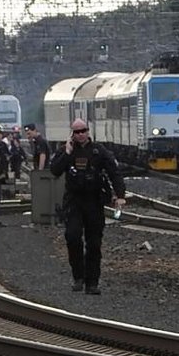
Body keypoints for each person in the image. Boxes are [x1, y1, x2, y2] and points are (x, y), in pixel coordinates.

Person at [51, 119, 126, 295]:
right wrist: (67, 153)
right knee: (73, 237)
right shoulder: (66, 151)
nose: (80, 134)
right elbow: (55, 170)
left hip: (94, 201)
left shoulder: (99, 151)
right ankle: (78, 276)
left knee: (94, 244)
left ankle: (92, 282)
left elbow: (114, 173)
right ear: (72, 134)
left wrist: (120, 195)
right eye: (76, 132)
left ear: (88, 131)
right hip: (74, 201)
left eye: (83, 130)